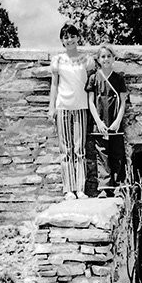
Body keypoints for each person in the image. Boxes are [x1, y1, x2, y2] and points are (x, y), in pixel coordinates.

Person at [48, 23, 93, 200]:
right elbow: (54, 84)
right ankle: (68, 189)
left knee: (79, 148)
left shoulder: (86, 60)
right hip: (63, 107)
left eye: (72, 36)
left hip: (81, 106)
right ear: (62, 40)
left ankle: (80, 188)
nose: (69, 40)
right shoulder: (58, 60)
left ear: (77, 38)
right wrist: (51, 107)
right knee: (66, 149)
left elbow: (91, 83)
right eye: (66, 37)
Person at [86, 45, 127, 198]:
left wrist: (117, 121)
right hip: (100, 124)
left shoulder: (118, 79)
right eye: (102, 56)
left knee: (117, 154)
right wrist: (98, 121)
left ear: (114, 58)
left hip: (115, 124)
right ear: (98, 59)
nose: (106, 59)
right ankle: (104, 187)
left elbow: (123, 102)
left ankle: (119, 186)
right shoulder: (93, 78)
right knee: (101, 155)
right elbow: (90, 102)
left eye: (109, 56)